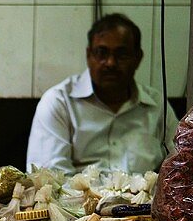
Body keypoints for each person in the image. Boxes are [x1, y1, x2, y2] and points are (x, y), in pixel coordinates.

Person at [26, 13, 178, 174]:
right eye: (101, 53)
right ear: (88, 55)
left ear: (137, 58)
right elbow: (48, 177)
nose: (111, 63)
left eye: (121, 54)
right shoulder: (59, 102)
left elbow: (181, 166)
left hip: (146, 199)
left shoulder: (157, 106)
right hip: (77, 199)